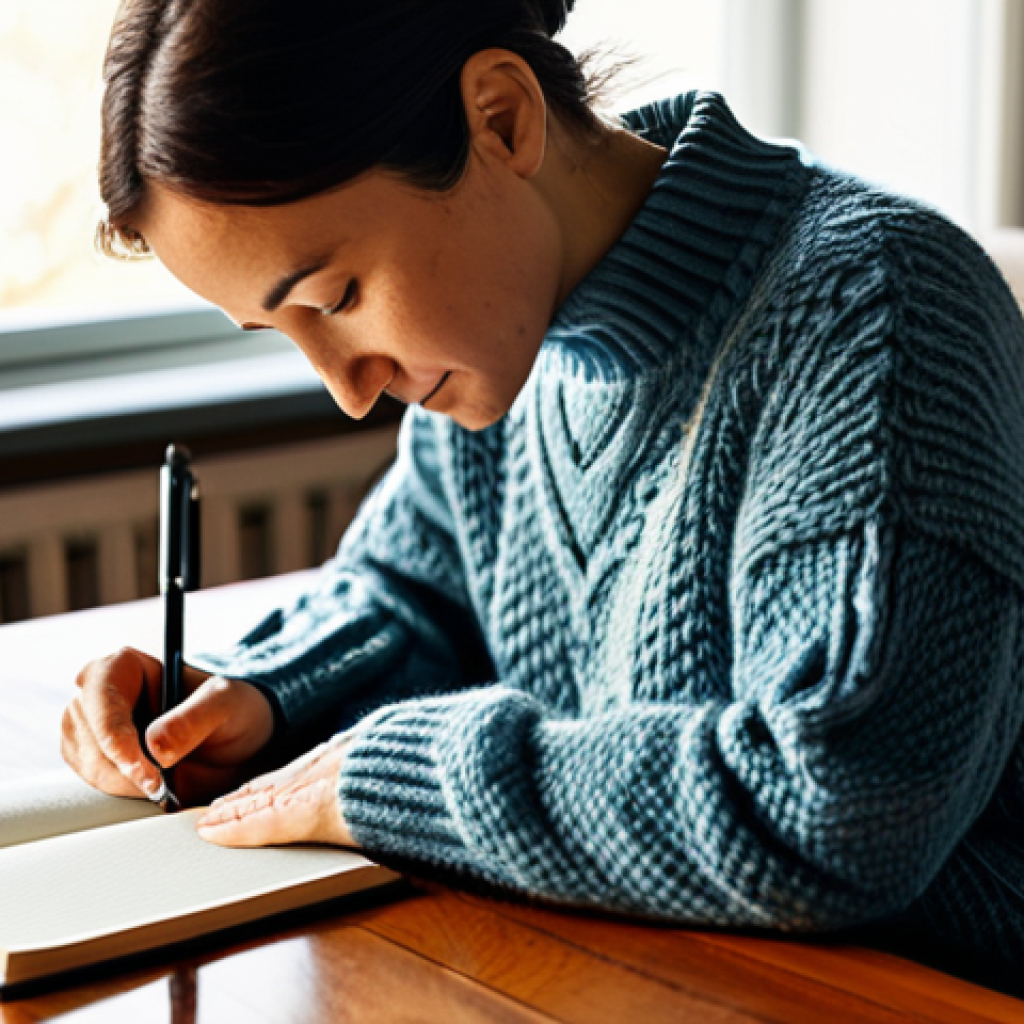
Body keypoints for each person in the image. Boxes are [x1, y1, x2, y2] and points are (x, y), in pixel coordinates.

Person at [61, 0, 1024, 985]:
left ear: (502, 119)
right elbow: (413, 598)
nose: (349, 391)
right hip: (643, 970)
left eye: (336, 298)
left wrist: (395, 777)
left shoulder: (875, 308)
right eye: (283, 330)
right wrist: (260, 695)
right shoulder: (500, 341)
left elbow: (836, 809)